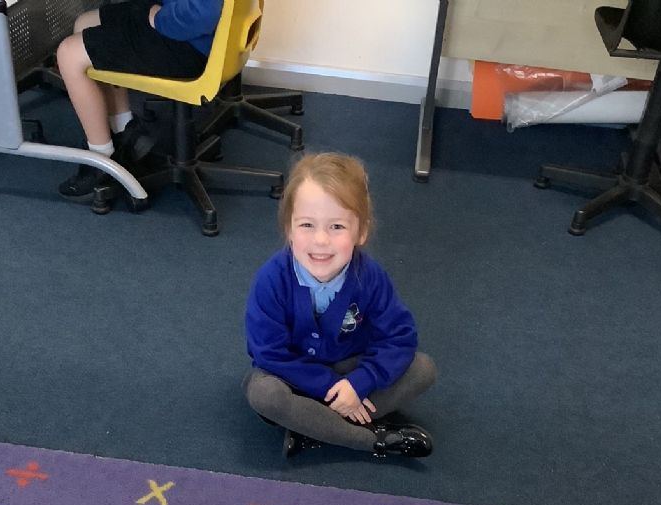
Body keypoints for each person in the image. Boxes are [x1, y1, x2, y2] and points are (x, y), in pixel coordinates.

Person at [244, 152, 436, 459]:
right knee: (264, 394)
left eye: (336, 227)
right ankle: (369, 440)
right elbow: (269, 354)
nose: (321, 240)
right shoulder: (271, 279)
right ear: (289, 229)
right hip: (293, 377)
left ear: (361, 231)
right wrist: (331, 387)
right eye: (307, 225)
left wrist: (360, 382)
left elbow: (399, 338)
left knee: (422, 369)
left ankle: (310, 428)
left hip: (350, 368)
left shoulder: (370, 277)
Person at [56, 0, 223, 202]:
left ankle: (101, 159)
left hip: (189, 43)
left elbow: (201, 15)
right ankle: (125, 133)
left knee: (69, 53)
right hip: (190, 29)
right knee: (86, 23)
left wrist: (158, 19)